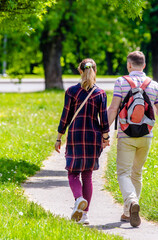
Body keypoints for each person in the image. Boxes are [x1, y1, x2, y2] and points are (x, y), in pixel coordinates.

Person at [107, 51, 158, 227]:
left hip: (126, 135)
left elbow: (113, 109)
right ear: (144, 66)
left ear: (129, 65)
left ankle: (132, 201)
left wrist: (103, 131)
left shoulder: (121, 82)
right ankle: (127, 213)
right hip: (146, 136)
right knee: (137, 172)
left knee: (123, 173)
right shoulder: (154, 85)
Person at [55, 58, 110, 225]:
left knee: (72, 172)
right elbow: (104, 120)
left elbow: (65, 116)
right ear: (95, 71)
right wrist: (105, 138)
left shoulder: (72, 91)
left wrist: (59, 137)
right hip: (93, 137)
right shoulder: (100, 93)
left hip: (76, 136)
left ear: (80, 70)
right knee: (87, 175)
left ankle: (78, 199)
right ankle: (85, 215)